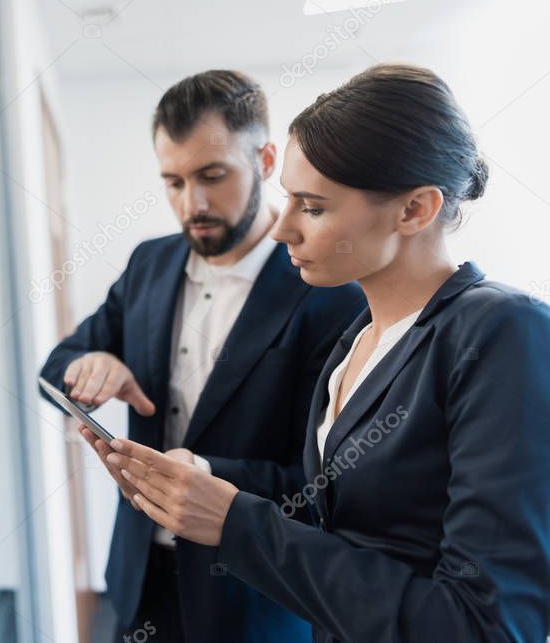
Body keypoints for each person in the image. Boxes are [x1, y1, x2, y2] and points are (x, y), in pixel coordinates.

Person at [94, 64, 550, 642]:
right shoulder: (359, 338)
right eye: (288, 200)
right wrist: (202, 480)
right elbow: (339, 519)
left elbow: (487, 627)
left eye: (312, 207)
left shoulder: (503, 331)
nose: (282, 228)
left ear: (415, 210)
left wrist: (238, 524)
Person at [38, 70, 365, 643]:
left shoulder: (330, 295)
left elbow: (326, 482)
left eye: (213, 176)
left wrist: (207, 476)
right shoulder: (149, 265)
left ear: (265, 161)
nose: (193, 203)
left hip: (252, 596)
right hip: (140, 578)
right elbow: (58, 364)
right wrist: (89, 367)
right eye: (173, 182)